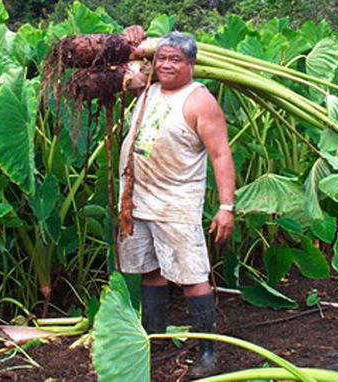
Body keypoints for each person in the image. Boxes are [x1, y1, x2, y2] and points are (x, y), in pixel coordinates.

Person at [118, 27, 236, 376]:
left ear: (191, 65)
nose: (167, 65)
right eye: (161, 59)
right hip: (136, 200)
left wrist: (226, 207)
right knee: (150, 270)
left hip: (175, 203)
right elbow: (121, 70)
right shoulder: (148, 88)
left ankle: (208, 353)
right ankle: (154, 339)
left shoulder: (199, 101)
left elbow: (220, 155)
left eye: (176, 60)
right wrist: (129, 41)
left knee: (191, 275)